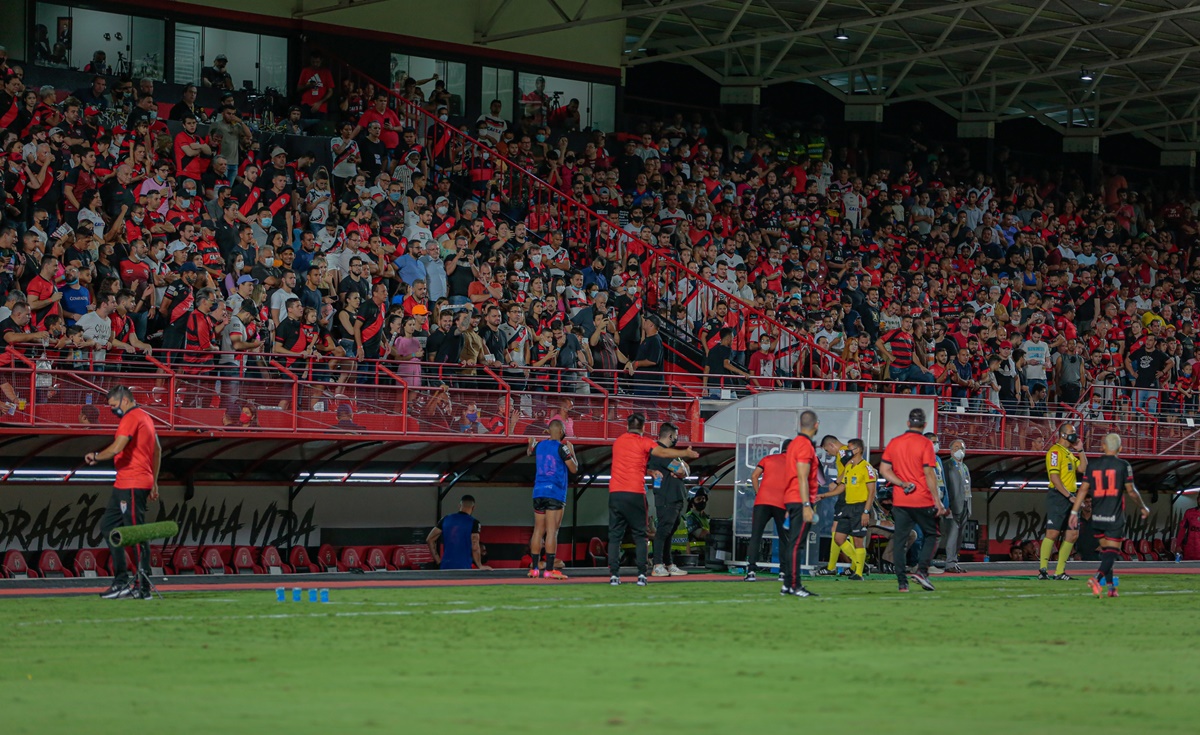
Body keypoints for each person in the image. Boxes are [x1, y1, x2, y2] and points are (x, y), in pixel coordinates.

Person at [86, 386, 161, 600]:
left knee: (136, 533)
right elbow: (158, 450)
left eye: (113, 406)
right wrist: (154, 481)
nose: (112, 410)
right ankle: (122, 580)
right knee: (109, 527)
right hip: (126, 482)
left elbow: (118, 447)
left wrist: (96, 456)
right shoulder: (146, 417)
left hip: (132, 482)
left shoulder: (131, 417)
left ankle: (142, 586)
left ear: (125, 401)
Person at [608, 412, 698, 587]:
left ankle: (614, 576)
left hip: (616, 493)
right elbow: (663, 453)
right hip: (635, 493)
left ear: (627, 426)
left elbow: (633, 464)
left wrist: (650, 472)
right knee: (641, 536)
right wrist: (685, 452)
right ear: (643, 428)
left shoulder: (618, 442)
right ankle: (642, 575)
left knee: (615, 537)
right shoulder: (645, 442)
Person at [1070, 433, 1149, 597]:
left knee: (1107, 553)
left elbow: (1083, 489)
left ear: (1103, 446)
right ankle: (1097, 578)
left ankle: (1112, 589)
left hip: (1097, 518)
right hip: (1114, 517)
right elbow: (1131, 492)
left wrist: (1074, 511)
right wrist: (1143, 507)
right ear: (1120, 448)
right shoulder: (1123, 465)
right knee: (1112, 552)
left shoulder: (1092, 466)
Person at [878, 408, 947, 592]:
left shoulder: (895, 443)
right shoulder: (925, 444)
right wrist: (937, 501)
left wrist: (901, 483)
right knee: (932, 534)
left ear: (908, 423)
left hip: (901, 500)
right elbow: (929, 473)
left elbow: (884, 470)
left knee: (900, 541)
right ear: (924, 425)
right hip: (922, 500)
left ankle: (902, 583)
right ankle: (922, 571)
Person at [526, 419, 578, 579]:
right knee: (552, 532)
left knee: (538, 530)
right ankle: (549, 569)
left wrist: (530, 444)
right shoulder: (562, 448)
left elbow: (530, 451)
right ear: (562, 431)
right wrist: (572, 451)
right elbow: (574, 469)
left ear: (548, 431)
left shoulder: (540, 445)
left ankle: (534, 569)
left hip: (538, 491)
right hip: (555, 493)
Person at [822, 438, 877, 580]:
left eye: (850, 449)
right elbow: (844, 481)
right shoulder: (849, 464)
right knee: (841, 536)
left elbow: (871, 491)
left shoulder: (863, 465)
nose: (846, 452)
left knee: (854, 538)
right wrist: (824, 495)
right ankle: (858, 564)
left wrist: (866, 511)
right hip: (848, 502)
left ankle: (855, 570)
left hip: (858, 504)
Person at [781, 409, 822, 598]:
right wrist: (806, 505)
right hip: (800, 498)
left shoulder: (794, 444)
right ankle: (795, 585)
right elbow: (802, 477)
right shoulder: (805, 446)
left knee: (793, 544)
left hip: (792, 497)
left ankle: (788, 584)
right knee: (797, 544)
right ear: (816, 425)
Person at [1039, 423, 1087, 580]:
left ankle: (1060, 571)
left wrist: (1080, 450)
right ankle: (1043, 570)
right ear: (1063, 434)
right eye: (1072, 432)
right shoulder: (1054, 452)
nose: (1075, 434)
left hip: (1071, 495)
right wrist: (1068, 496)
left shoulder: (1070, 454)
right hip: (1059, 496)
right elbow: (1054, 477)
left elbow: (1083, 468)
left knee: (1073, 534)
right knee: (1052, 532)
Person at [745, 440, 792, 583]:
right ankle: (783, 573)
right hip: (782, 504)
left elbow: (754, 476)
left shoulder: (768, 459)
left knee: (756, 536)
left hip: (762, 502)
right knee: (785, 539)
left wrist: (758, 493)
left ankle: (751, 571)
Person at [650, 422, 691, 577]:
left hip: (675, 497)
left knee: (669, 531)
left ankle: (668, 564)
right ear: (670, 435)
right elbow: (681, 469)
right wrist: (681, 469)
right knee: (663, 531)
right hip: (666, 496)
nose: (676, 438)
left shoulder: (670, 453)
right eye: (675, 435)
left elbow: (686, 469)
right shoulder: (660, 452)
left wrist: (682, 469)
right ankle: (658, 564)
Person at [426, 495, 491, 571]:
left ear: (459, 505)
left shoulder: (445, 519)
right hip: (464, 566)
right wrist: (480, 565)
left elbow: (429, 539)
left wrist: (438, 561)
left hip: (445, 566)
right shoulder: (474, 522)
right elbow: (475, 546)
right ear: (473, 508)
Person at [942, 438, 972, 573]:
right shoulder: (947, 466)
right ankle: (949, 563)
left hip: (965, 504)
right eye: (956, 448)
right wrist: (946, 505)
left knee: (960, 536)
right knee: (952, 535)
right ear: (951, 450)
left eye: (962, 448)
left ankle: (955, 561)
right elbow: (946, 487)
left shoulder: (965, 467)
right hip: (953, 506)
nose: (959, 450)